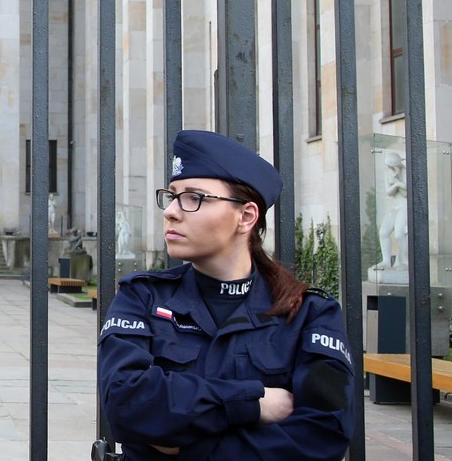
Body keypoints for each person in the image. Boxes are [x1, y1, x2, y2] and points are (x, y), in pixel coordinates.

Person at [98, 130, 354, 460]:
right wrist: (252, 402)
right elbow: (126, 406)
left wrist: (187, 448)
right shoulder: (142, 299)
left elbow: (322, 436)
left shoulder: (308, 313)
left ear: (246, 216)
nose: (171, 211)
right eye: (172, 195)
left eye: (193, 198)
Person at [373, 150, 408, 273]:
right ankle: (386, 261)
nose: (389, 168)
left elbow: (406, 193)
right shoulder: (388, 173)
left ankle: (405, 261)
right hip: (393, 207)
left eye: (391, 166)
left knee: (399, 234)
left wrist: (398, 182)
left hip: (404, 206)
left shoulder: (405, 171)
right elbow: (389, 192)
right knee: (383, 232)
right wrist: (397, 183)